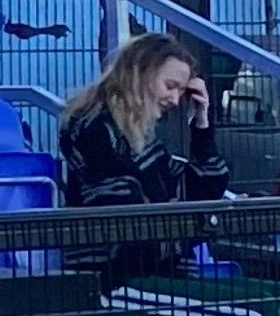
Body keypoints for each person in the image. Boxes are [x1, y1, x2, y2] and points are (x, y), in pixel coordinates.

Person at [58, 31, 231, 214]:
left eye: (181, 91)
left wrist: (201, 123)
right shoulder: (95, 127)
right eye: (170, 86)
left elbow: (206, 187)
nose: (175, 100)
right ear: (140, 73)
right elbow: (125, 211)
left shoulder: (140, 135)